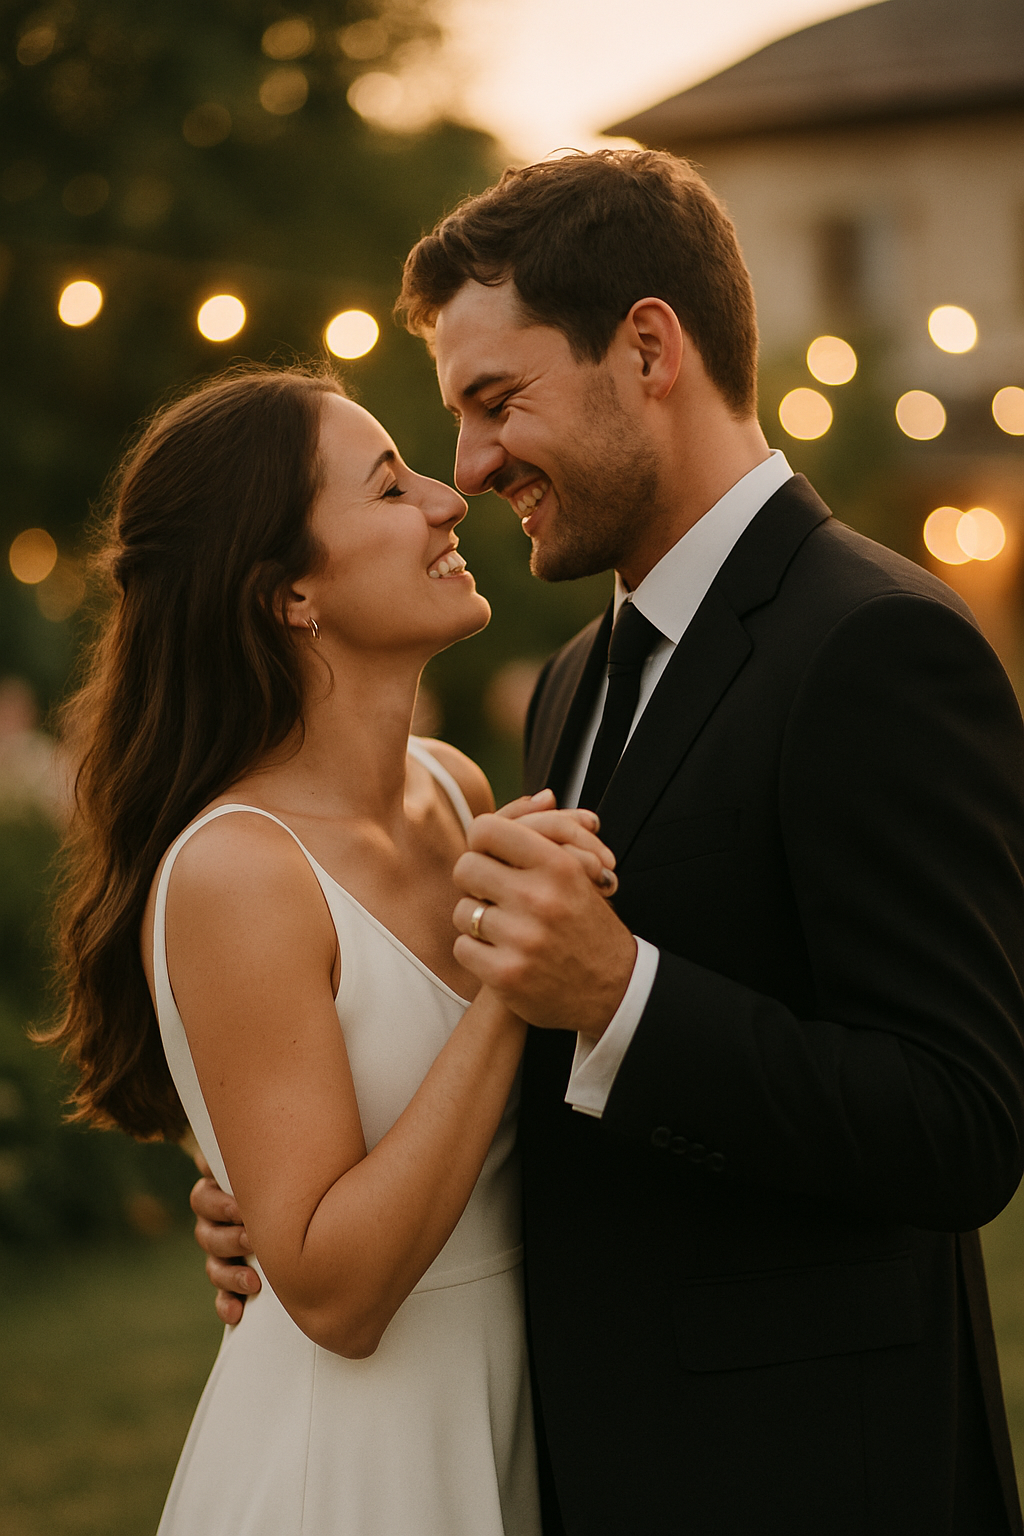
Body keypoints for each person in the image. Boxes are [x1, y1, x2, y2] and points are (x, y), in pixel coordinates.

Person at [194, 152, 1024, 1535]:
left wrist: (626, 996)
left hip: (813, 1479)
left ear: (648, 348)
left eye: (495, 401)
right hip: (580, 1463)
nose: (468, 466)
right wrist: (287, 1206)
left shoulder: (877, 647)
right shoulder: (580, 677)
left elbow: (964, 1129)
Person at [49, 366, 619, 1535]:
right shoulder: (239, 869)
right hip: (353, 1472)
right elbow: (336, 1294)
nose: (448, 498)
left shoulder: (458, 796)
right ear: (288, 592)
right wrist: (511, 982)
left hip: (519, 1427)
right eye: (388, 486)